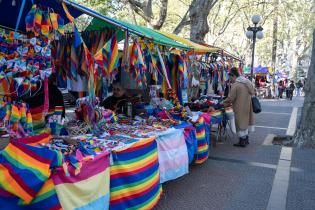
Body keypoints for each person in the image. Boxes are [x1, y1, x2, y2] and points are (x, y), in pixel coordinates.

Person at [222, 67, 255, 147]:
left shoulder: (236, 85)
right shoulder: (247, 82)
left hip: (239, 107)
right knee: (246, 122)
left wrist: (222, 103)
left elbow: (230, 98)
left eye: (230, 77)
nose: (230, 80)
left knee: (240, 123)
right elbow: (253, 92)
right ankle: (246, 139)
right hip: (248, 106)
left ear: (233, 76)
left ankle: (242, 141)